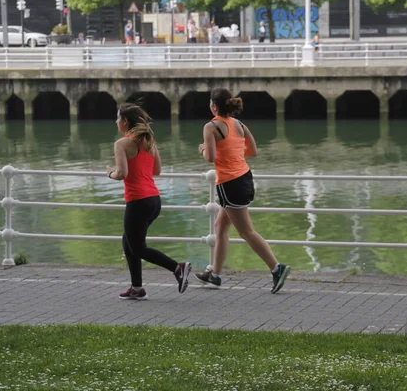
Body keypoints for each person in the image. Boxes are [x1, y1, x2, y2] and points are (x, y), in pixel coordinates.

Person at [194, 89, 291, 294]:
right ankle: (216, 276)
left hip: (230, 183)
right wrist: (233, 152)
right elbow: (253, 151)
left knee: (246, 231)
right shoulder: (239, 124)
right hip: (245, 177)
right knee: (220, 226)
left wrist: (203, 149)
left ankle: (277, 268)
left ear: (214, 106)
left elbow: (210, 157)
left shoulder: (211, 127)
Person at [107, 103, 191, 300]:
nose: (116, 122)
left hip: (138, 201)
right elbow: (157, 171)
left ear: (125, 122)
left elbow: (122, 174)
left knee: (138, 247)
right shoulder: (149, 142)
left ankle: (178, 268)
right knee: (128, 243)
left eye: (118, 118)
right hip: (154, 200)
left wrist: (111, 173)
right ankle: (137, 288)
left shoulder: (122, 143)